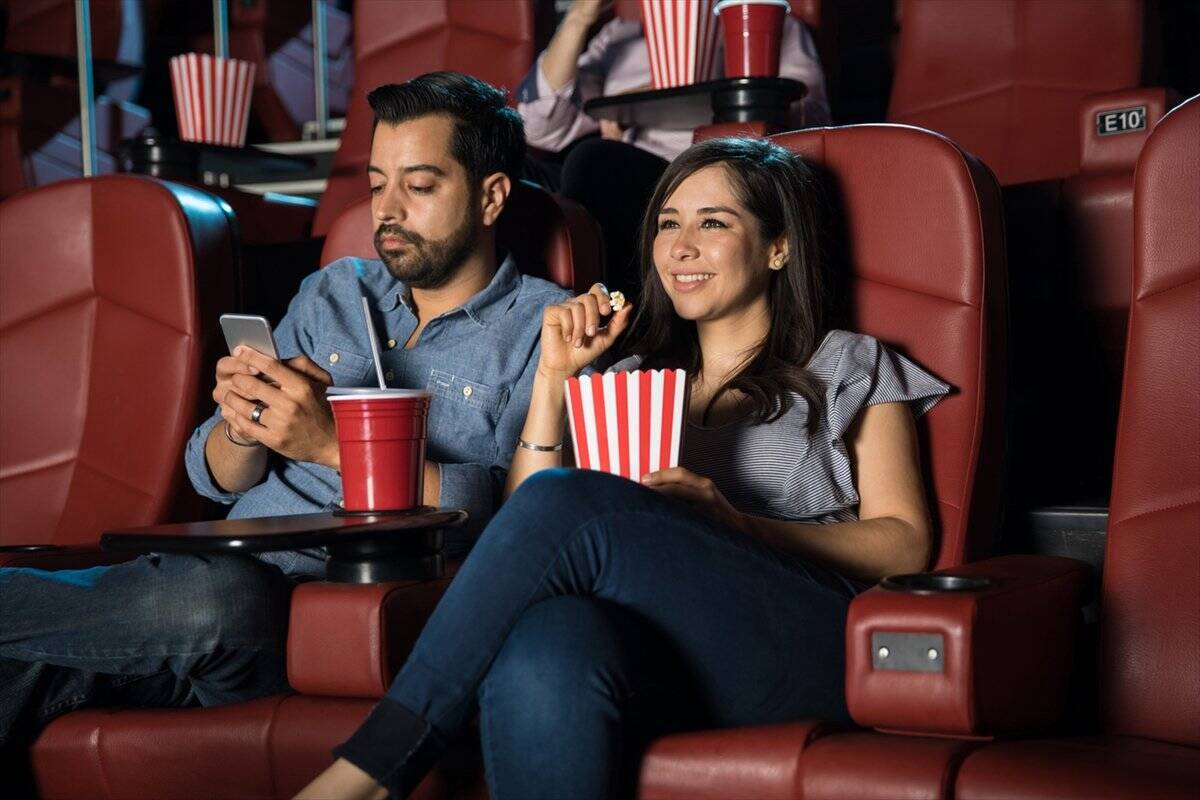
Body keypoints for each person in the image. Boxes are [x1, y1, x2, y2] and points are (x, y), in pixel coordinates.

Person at [297, 136, 949, 800]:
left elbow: (906, 543)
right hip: (668, 654)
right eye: (667, 224)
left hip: (806, 643)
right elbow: (530, 536)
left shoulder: (847, 365)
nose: (680, 247)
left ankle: (368, 774)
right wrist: (553, 379)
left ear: (778, 246)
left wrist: (737, 525)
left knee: (570, 502)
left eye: (713, 223)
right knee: (548, 642)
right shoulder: (632, 384)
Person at [0, 72, 571, 756]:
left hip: (291, 611)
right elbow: (216, 476)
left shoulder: (548, 331)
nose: (388, 210)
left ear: (491, 196)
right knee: (30, 672)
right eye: (377, 185)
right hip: (182, 597)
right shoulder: (336, 290)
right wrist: (243, 426)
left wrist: (330, 445)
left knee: (222, 600)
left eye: (418, 186)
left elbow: (515, 522)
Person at [518, 0, 830, 294]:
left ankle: (623, 311)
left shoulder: (766, 19)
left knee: (594, 159)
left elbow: (809, 115)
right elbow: (538, 127)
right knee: (509, 159)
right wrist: (579, 17)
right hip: (621, 164)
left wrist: (692, 93)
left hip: (698, 165)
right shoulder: (619, 35)